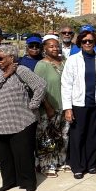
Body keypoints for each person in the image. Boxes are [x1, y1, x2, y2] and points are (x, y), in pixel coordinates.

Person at [0, 44, 47, 191]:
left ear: (11, 58)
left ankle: (28, 182)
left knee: (24, 154)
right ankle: (9, 181)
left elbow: (40, 85)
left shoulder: (21, 70)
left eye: (1, 58)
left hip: (22, 120)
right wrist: (5, 74)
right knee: (5, 155)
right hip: (0, 121)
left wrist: (33, 104)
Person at [61, 28, 96, 180]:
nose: (87, 43)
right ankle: (78, 166)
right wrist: (68, 108)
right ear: (80, 43)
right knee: (77, 136)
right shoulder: (73, 60)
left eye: (90, 41)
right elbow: (66, 84)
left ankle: (91, 164)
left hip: (95, 103)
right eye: (84, 41)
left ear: (95, 43)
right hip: (78, 104)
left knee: (93, 136)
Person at [35, 34, 68, 177]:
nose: (55, 48)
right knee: (47, 136)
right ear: (45, 48)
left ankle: (60, 161)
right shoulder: (41, 65)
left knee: (63, 136)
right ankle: (46, 164)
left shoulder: (65, 62)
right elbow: (37, 88)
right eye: (51, 46)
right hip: (48, 108)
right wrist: (47, 107)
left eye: (57, 45)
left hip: (64, 106)